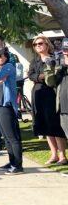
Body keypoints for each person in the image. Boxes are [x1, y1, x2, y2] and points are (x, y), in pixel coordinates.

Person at [28, 35, 67, 165]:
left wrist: (45, 76)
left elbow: (59, 74)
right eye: (35, 44)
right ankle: (54, 154)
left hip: (52, 93)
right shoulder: (35, 61)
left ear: (47, 44)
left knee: (55, 124)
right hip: (38, 94)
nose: (38, 46)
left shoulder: (55, 58)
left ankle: (62, 155)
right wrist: (41, 76)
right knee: (45, 125)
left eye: (40, 43)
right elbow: (31, 75)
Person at [0, 47, 24, 174]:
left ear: (6, 56)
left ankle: (18, 166)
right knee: (6, 137)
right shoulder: (0, 69)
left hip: (7, 106)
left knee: (12, 137)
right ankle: (12, 162)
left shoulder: (9, 66)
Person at [44, 38, 68, 175]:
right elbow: (50, 82)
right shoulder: (59, 62)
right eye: (64, 50)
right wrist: (50, 68)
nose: (66, 53)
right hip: (63, 105)